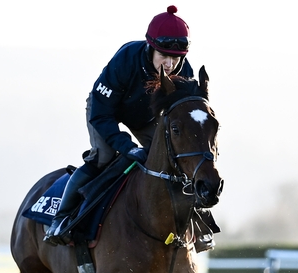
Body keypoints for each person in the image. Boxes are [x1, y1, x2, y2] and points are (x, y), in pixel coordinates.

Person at [44, 5, 218, 251]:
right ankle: (62, 219)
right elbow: (101, 113)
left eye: (175, 58)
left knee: (172, 158)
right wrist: (127, 147)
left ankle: (197, 223)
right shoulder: (126, 59)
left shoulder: (184, 72)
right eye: (163, 56)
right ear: (150, 48)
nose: (169, 64)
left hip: (147, 118)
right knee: (103, 157)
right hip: (106, 110)